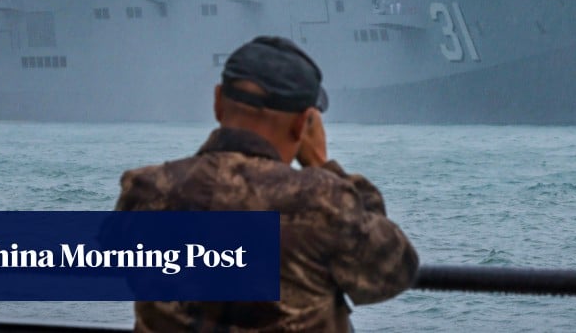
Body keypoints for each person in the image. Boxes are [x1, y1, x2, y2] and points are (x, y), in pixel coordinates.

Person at [115, 36, 418, 332]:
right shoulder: (323, 201)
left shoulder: (145, 191)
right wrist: (323, 165)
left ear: (218, 102)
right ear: (303, 125)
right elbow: (394, 270)